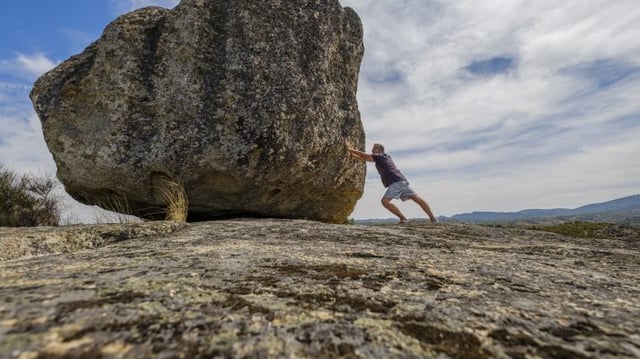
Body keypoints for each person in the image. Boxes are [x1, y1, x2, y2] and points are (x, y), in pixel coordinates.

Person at [344, 139, 437, 223]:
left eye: (374, 149)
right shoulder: (384, 157)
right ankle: (433, 219)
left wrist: (349, 148)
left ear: (379, 150)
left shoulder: (380, 156)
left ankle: (403, 218)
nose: (372, 151)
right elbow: (364, 158)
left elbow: (363, 155)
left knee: (385, 201)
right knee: (417, 199)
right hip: (401, 180)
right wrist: (353, 155)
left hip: (396, 182)